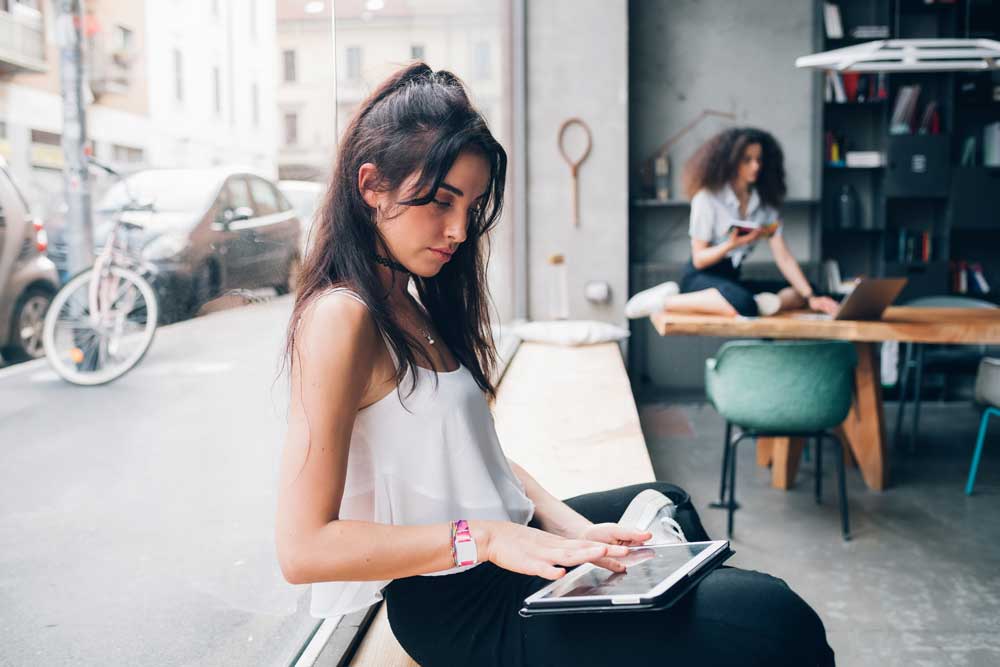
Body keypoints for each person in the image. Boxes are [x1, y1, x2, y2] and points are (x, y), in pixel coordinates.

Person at [275, 63, 835, 666]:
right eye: (440, 201)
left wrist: (567, 525)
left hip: (504, 550)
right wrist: (487, 538)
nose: (460, 229)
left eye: (472, 204)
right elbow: (303, 548)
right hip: (459, 605)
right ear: (370, 186)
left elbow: (471, 452)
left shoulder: (406, 299)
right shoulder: (342, 317)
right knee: (775, 617)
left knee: (663, 502)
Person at [625, 127, 840, 320]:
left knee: (806, 289)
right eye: (747, 160)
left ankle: (759, 304)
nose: (755, 166)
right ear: (731, 161)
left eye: (759, 159)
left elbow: (783, 257)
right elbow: (699, 260)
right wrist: (731, 244)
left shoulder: (764, 206)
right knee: (744, 304)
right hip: (701, 277)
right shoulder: (708, 199)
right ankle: (667, 300)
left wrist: (811, 296)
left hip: (731, 279)